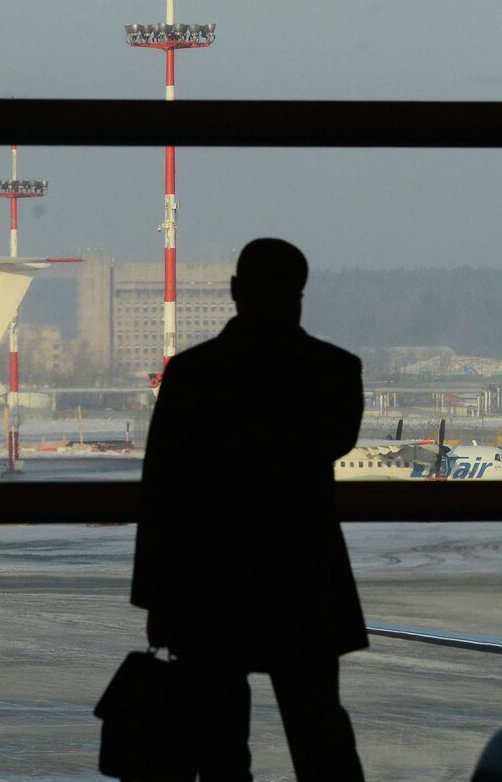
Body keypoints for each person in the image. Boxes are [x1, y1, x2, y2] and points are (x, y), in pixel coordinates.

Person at [131, 237, 367, 782]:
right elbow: (326, 445)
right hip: (302, 583)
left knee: (217, 750)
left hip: (208, 588)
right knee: (320, 737)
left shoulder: (190, 376)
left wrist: (157, 598)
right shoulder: (335, 372)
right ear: (299, 294)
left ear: (235, 291)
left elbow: (162, 493)